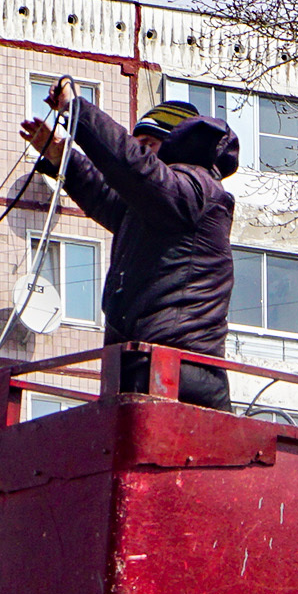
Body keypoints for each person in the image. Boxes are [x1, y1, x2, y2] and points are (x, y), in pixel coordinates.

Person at [18, 78, 239, 411]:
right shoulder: (155, 207)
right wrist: (63, 157)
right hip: (143, 366)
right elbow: (108, 196)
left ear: (173, 145)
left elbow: (132, 168)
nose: (141, 152)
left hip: (180, 374)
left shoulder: (197, 189)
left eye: (148, 143)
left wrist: (78, 111)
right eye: (137, 143)